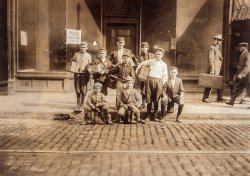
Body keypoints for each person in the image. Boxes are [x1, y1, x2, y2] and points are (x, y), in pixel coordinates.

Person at [136, 48, 168, 121]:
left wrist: (161, 84)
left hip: (158, 82)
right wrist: (137, 71)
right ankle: (148, 115)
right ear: (155, 55)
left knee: (156, 99)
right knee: (149, 99)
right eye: (156, 54)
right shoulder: (151, 61)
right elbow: (142, 64)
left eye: (159, 54)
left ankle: (154, 116)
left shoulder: (164, 65)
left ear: (162, 55)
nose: (158, 55)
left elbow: (165, 76)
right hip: (149, 81)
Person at [202, 34, 224, 103]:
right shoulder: (212, 48)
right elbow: (211, 60)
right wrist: (212, 70)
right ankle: (205, 98)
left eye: (220, 40)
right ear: (214, 40)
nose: (219, 42)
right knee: (210, 83)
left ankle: (219, 97)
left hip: (218, 69)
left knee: (219, 83)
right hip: (214, 69)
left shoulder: (217, 48)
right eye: (218, 40)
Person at [72, 41, 92, 112]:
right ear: (79, 47)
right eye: (81, 47)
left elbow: (90, 65)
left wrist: (89, 70)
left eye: (84, 47)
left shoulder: (89, 55)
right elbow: (73, 63)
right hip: (77, 74)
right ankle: (78, 104)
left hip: (84, 74)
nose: (83, 48)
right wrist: (74, 69)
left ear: (87, 48)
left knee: (83, 90)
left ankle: (82, 105)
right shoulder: (76, 54)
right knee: (77, 90)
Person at [137, 42, 155, 108]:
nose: (144, 49)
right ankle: (143, 103)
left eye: (145, 47)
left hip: (151, 74)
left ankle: (152, 104)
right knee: (143, 89)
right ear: (141, 48)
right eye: (142, 47)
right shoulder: (138, 57)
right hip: (143, 75)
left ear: (148, 48)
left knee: (151, 89)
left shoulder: (152, 55)